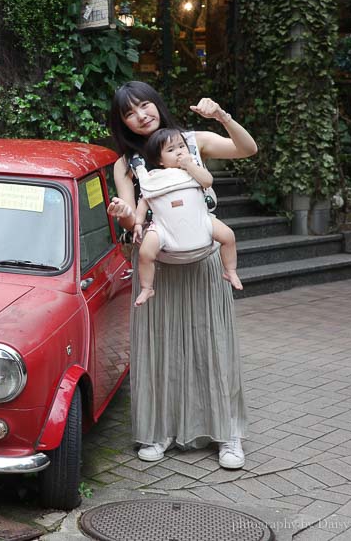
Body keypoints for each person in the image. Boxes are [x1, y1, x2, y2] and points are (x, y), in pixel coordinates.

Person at [106, 81, 257, 470]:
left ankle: (227, 434)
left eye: (144, 105)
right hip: (159, 269)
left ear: (157, 103)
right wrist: (124, 215)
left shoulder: (191, 141)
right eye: (129, 112)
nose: (141, 115)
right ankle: (158, 432)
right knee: (160, 349)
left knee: (213, 345)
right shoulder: (127, 163)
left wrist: (220, 116)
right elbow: (130, 223)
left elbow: (247, 149)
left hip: (205, 263)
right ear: (122, 122)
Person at [132, 127, 243, 307]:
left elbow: (207, 181)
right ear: (159, 160)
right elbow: (144, 200)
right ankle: (147, 287)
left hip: (201, 220)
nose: (179, 152)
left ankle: (230, 270)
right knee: (145, 253)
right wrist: (138, 222)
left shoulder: (194, 170)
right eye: (171, 150)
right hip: (163, 227)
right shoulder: (153, 177)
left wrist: (190, 165)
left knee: (228, 236)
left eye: (181, 146)